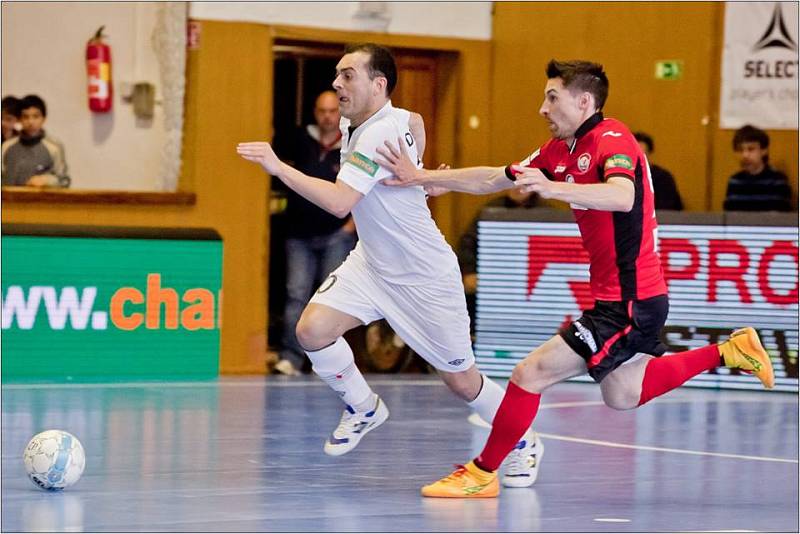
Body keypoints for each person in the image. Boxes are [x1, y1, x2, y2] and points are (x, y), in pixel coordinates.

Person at [376, 59, 775, 498]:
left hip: (630, 297)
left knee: (530, 373)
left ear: (584, 101)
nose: (542, 109)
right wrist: (427, 177)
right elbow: (497, 177)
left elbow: (623, 195)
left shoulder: (612, 138)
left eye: (552, 98)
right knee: (622, 393)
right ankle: (732, 350)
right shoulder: (559, 151)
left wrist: (555, 189)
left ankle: (482, 471)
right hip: (627, 297)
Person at [238, 43, 542, 488]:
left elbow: (340, 202)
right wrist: (417, 157)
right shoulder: (365, 121)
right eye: (337, 75)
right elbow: (414, 121)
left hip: (424, 276)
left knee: (462, 382)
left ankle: (522, 439)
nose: (337, 83)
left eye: (347, 76)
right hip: (373, 263)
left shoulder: (378, 133)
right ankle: (363, 407)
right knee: (312, 331)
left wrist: (277, 166)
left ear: (378, 85)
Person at [272, 91, 357, 376]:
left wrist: (350, 227)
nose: (327, 116)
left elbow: (364, 189)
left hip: (336, 233)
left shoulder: (351, 144)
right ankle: (291, 358)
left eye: (332, 111)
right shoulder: (299, 141)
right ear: (314, 112)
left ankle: (328, 365)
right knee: (296, 294)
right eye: (322, 111)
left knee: (332, 300)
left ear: (340, 113)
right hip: (298, 234)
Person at [458, 188, 539, 336]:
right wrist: (470, 272)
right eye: (513, 183)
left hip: (529, 283)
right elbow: (468, 243)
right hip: (492, 281)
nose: (517, 188)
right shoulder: (491, 209)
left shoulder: (546, 212)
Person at [2, 94, 70, 188]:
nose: (30, 122)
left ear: (43, 118)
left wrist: (47, 180)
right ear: (19, 120)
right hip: (10, 201)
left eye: (35, 116)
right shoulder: (6, 147)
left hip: (41, 201)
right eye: (25, 117)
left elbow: (64, 181)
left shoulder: (54, 147)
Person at [723, 125, 793, 212]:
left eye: (751, 149)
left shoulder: (777, 181)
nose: (745, 155)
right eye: (740, 150)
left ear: (764, 151)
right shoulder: (734, 181)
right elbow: (730, 217)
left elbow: (782, 218)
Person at [633, 131, 683, 210]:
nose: (639, 159)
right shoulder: (623, 176)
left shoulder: (663, 178)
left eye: (643, 155)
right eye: (636, 155)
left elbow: (666, 208)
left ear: (649, 154)